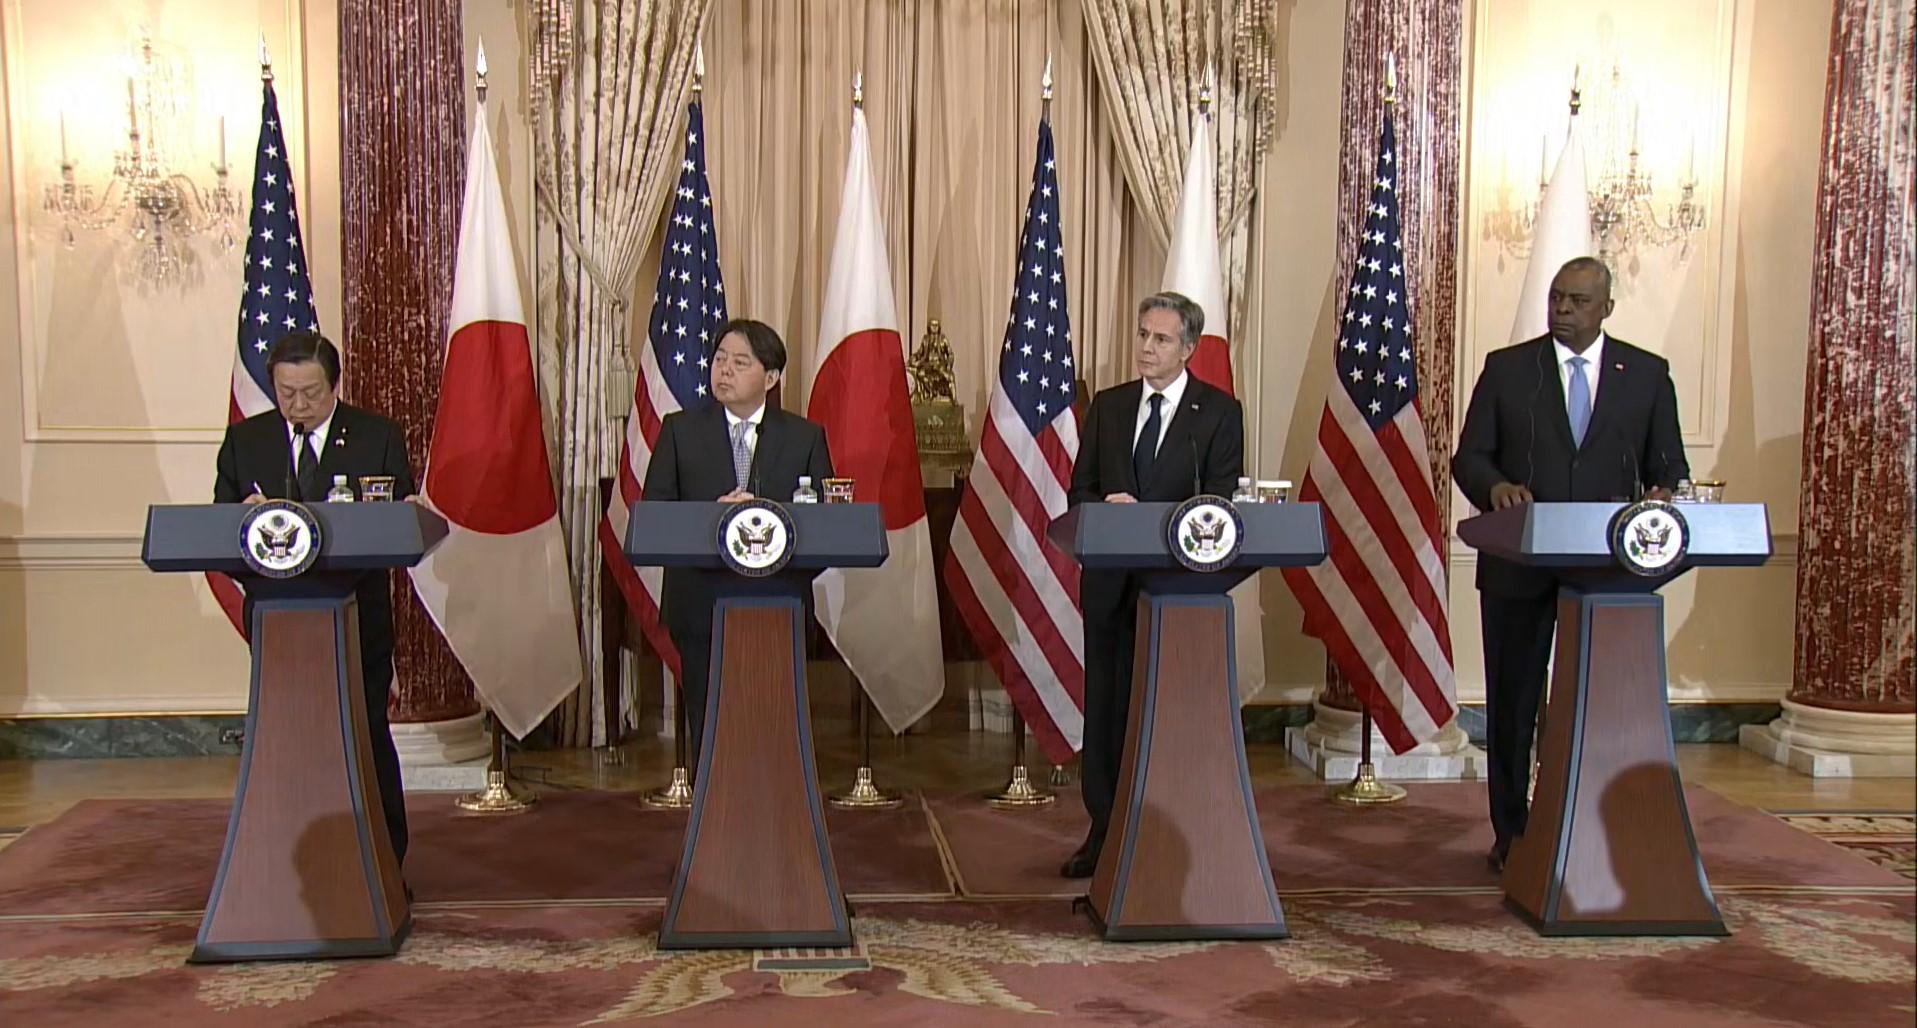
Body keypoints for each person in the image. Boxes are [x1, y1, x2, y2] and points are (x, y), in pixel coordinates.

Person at [1451, 256, 1689, 871]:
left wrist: (1662, 494)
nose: (1562, 309)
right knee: (1513, 704)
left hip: (1608, 570)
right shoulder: (1508, 370)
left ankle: (1598, 831)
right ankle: (1513, 835)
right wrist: (1496, 487)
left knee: (1600, 702)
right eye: (1557, 297)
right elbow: (1469, 457)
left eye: (1578, 301)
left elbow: (1669, 465)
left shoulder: (1646, 374)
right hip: (1518, 563)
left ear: (1606, 307)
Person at [212, 330, 417, 867]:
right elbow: (219, 532)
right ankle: (282, 863)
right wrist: (246, 525)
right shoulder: (247, 442)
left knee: (364, 733)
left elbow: (401, 525)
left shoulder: (377, 436)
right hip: (279, 622)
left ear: (334, 385)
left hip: (357, 617)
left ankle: (383, 863)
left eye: (310, 392)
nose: (298, 405)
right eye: (286, 393)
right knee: (286, 738)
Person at [1062, 291, 1245, 879]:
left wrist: (1156, 518)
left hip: (1178, 594)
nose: (1146, 347)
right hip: (1110, 589)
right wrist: (1109, 508)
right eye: (1143, 334)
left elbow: (1219, 503)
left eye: (1161, 339)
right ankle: (1104, 833)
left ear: (1187, 348)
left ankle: (1174, 837)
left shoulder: (1218, 414)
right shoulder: (1110, 407)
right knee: (1106, 712)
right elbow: (1080, 491)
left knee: (1169, 713)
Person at [643, 319, 834, 773]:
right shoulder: (679, 432)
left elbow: (825, 528)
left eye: (740, 362)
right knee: (709, 728)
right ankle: (710, 808)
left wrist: (766, 520)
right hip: (700, 609)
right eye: (720, 359)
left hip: (779, 607)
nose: (724, 370)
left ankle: (777, 806)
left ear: (770, 378)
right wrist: (715, 517)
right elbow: (654, 518)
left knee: (773, 730)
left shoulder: (804, 438)